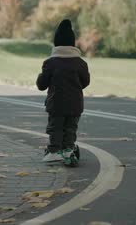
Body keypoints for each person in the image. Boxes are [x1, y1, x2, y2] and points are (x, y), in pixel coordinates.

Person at [36, 19, 90, 164]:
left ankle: (54, 151)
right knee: (70, 128)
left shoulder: (50, 63)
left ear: (56, 43)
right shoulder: (81, 63)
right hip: (75, 104)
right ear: (72, 43)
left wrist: (41, 77)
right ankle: (68, 150)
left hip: (56, 103)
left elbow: (41, 85)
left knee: (55, 128)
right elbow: (86, 82)